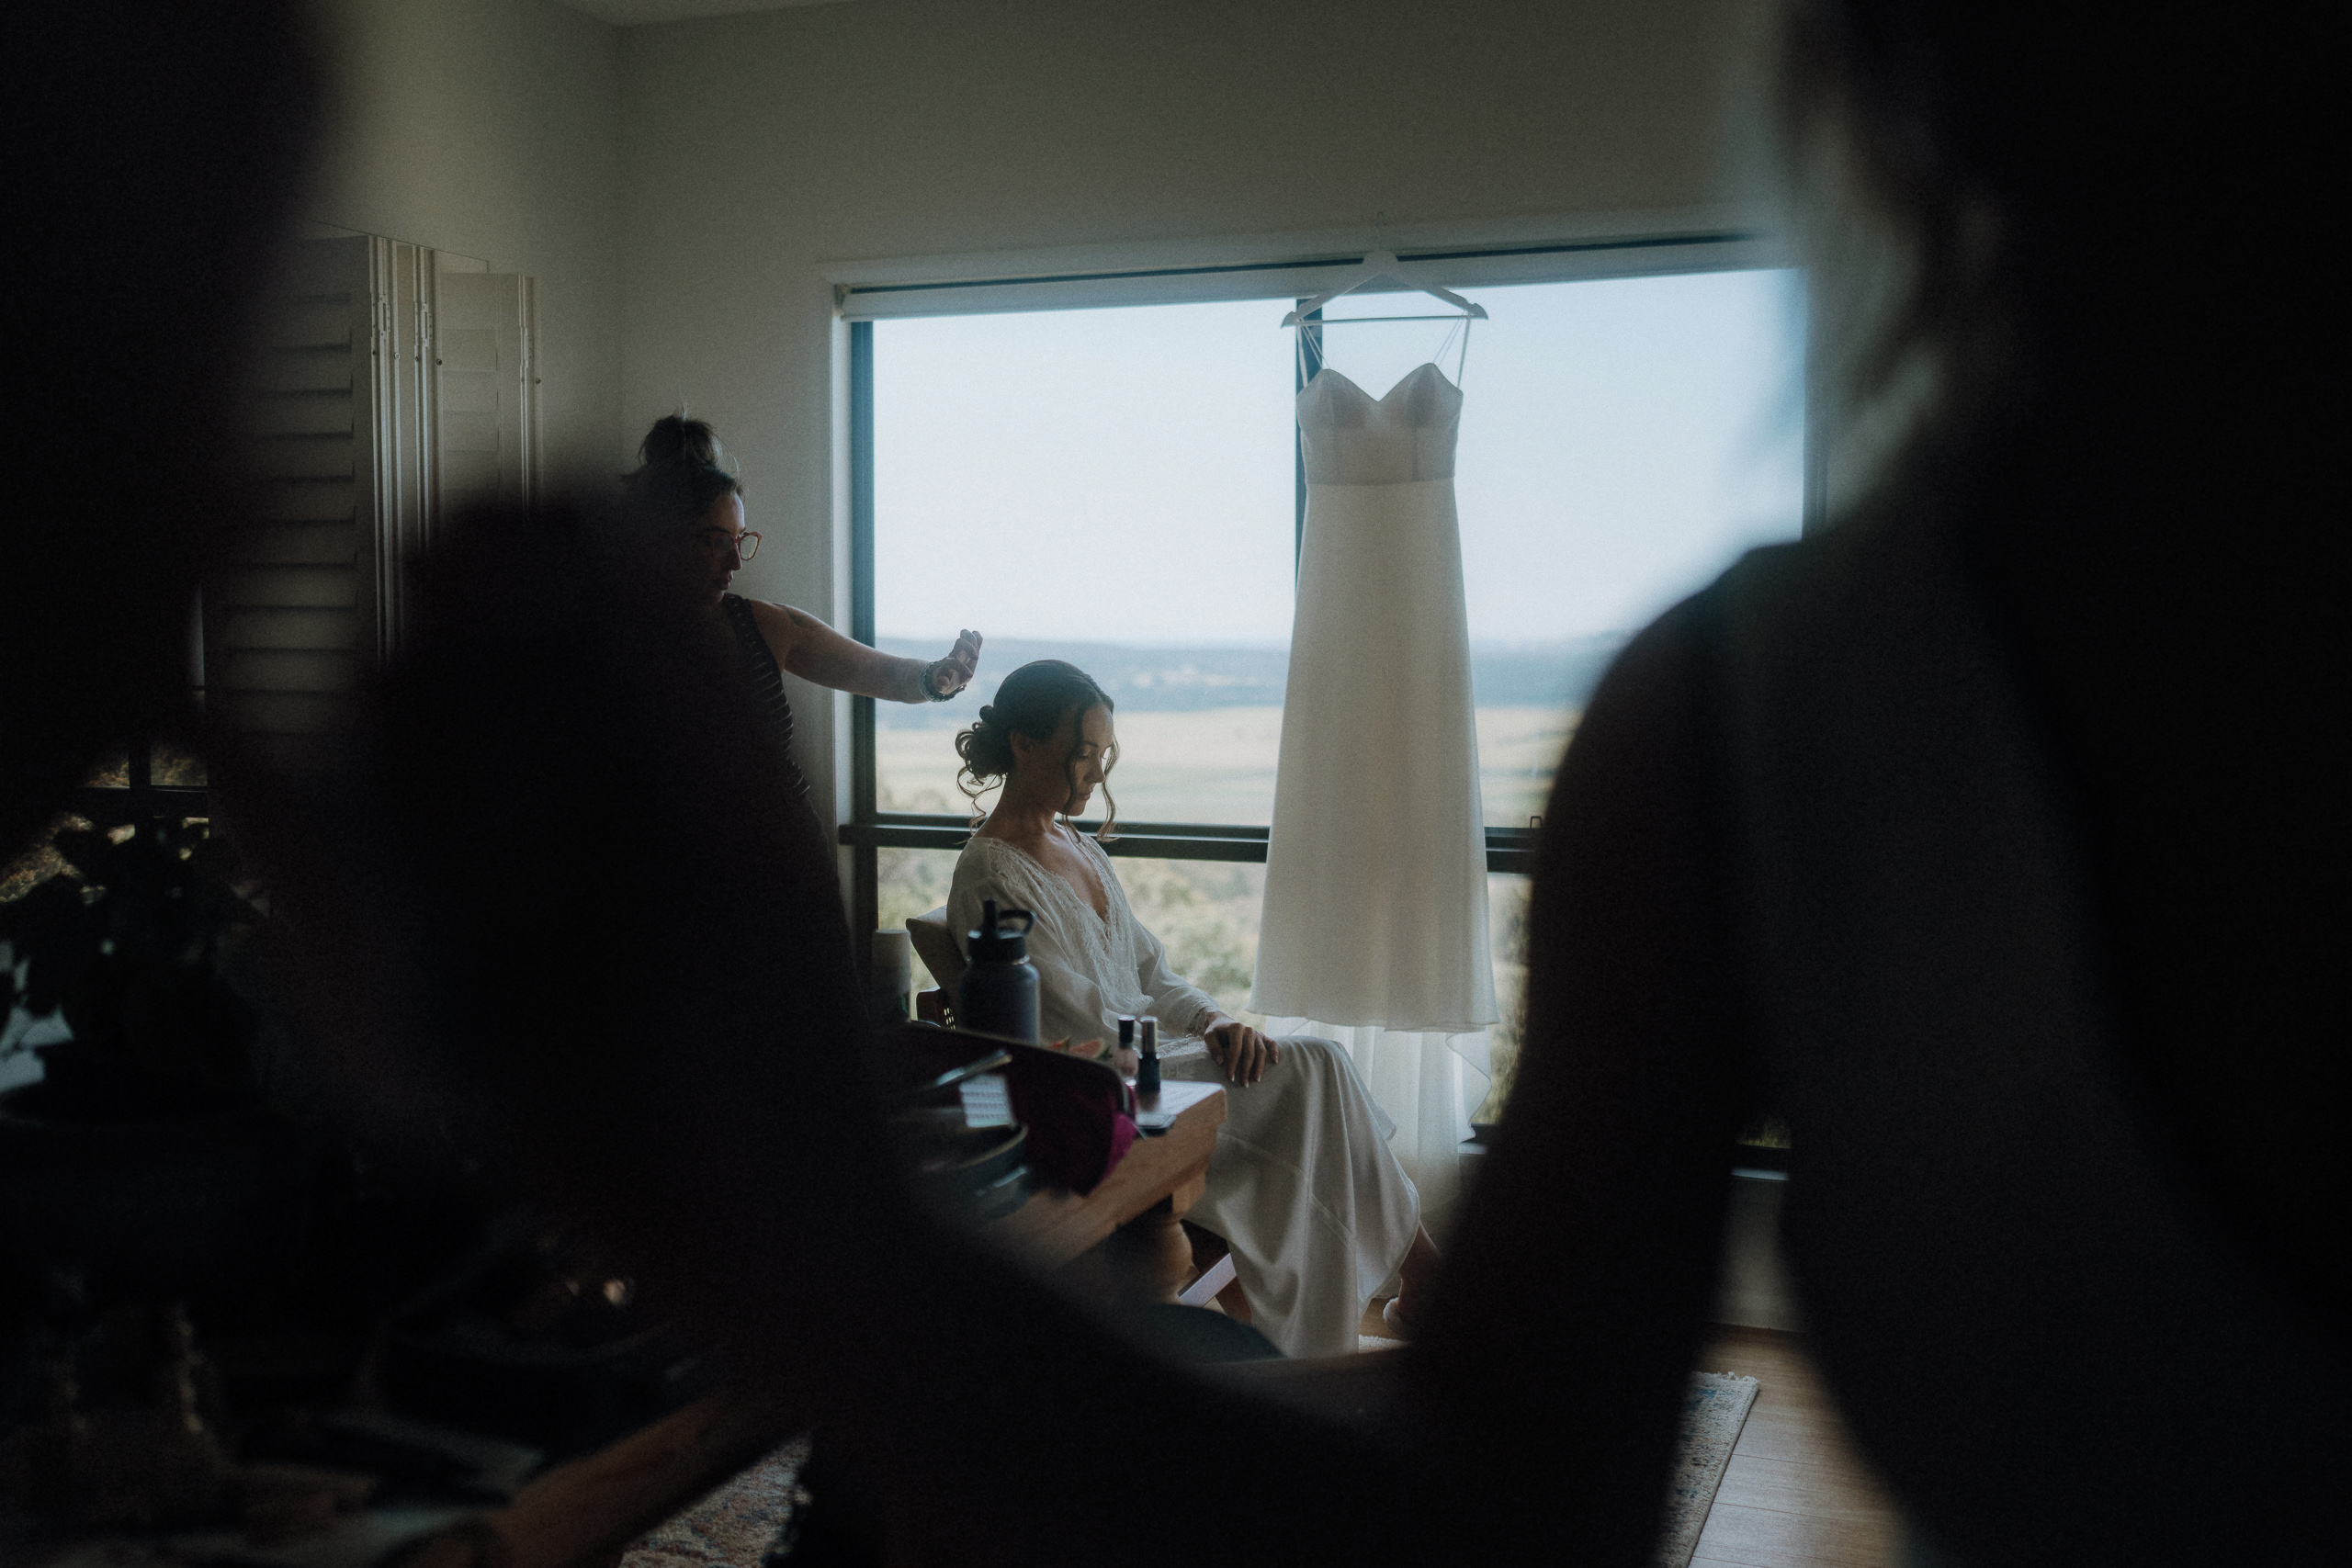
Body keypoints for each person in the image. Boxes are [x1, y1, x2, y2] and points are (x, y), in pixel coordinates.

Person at [944, 660, 1441, 1356]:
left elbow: (1153, 971)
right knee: (1314, 1071)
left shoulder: (1079, 847)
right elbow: (1077, 1021)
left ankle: (1404, 1292)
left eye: (1102, 754)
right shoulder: (990, 871)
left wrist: (1214, 1021)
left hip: (1152, 1056)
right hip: (1107, 1085)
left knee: (1319, 1068)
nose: (1094, 774)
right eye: (1083, 752)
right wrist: (1192, 1049)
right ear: (1025, 744)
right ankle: (1411, 1289)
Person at [621, 415, 983, 795]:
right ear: (664, 536)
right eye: (718, 541)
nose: (736, 562)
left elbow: (879, 674)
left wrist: (937, 678)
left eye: (740, 539)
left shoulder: (760, 625)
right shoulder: (604, 644)